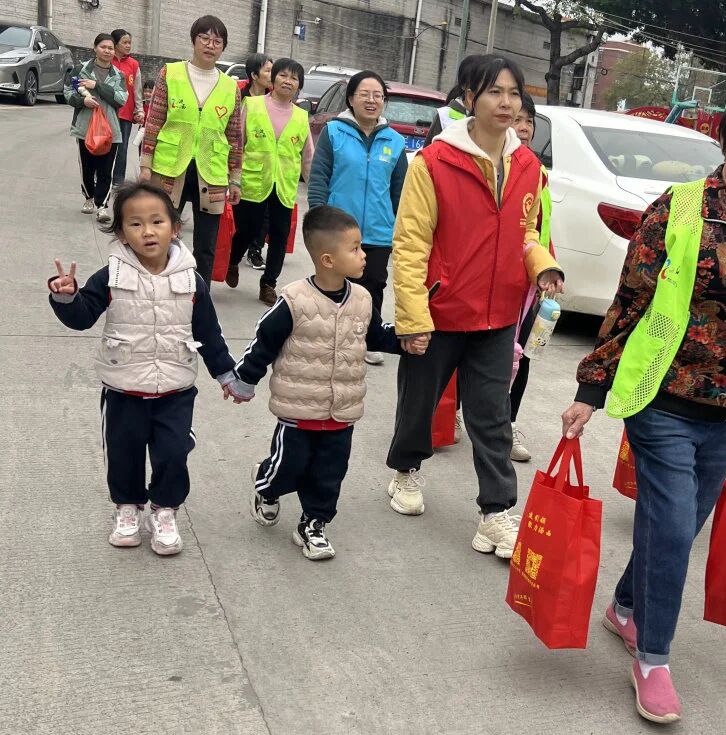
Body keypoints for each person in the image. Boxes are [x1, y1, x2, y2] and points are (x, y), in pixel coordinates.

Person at [560, 81, 726, 724]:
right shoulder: (677, 210)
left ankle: (625, 606)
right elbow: (631, 302)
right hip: (666, 404)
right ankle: (653, 658)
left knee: (676, 527)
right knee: (673, 527)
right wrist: (592, 388)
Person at [386, 56, 564, 559]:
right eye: (494, 92)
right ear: (468, 98)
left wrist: (543, 266)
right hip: (441, 312)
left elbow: (527, 234)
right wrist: (413, 317)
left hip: (498, 316)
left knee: (492, 417)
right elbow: (411, 244)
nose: (506, 103)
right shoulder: (434, 163)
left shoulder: (529, 168)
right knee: (419, 405)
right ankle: (405, 470)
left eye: (513, 94)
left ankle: (495, 513)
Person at [47, 183, 250, 556]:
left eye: (157, 221)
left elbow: (208, 332)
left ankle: (164, 510)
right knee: (123, 453)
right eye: (135, 223)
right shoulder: (110, 276)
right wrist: (66, 296)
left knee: (173, 453)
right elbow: (82, 317)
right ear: (122, 233)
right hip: (123, 389)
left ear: (175, 228)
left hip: (175, 389)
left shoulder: (191, 280)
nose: (147, 231)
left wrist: (226, 374)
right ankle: (127, 507)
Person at [228, 206, 422, 560]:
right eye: (355, 248)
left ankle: (313, 524)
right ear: (328, 260)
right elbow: (264, 342)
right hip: (298, 411)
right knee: (288, 467)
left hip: (341, 411)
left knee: (329, 474)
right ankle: (267, 487)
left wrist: (404, 341)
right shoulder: (294, 300)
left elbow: (374, 336)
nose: (364, 255)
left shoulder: (362, 299)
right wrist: (244, 379)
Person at [307, 70, 408, 366]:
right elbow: (319, 177)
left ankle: (368, 339)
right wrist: (318, 220)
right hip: (338, 230)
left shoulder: (394, 141)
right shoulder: (334, 132)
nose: (371, 100)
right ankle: (329, 337)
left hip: (378, 231)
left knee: (373, 286)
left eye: (378, 95)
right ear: (351, 99)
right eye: (364, 94)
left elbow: (400, 190)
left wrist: (399, 227)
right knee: (334, 284)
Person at [139, 15, 242, 285]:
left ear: (223, 47)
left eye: (217, 41)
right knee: (161, 234)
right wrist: (146, 164)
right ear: (194, 40)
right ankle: (155, 286)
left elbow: (234, 136)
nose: (210, 45)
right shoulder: (170, 73)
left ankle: (199, 295)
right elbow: (154, 120)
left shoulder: (231, 87)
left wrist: (235, 178)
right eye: (204, 38)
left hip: (212, 172)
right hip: (170, 168)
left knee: (206, 246)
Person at [225, 58, 313, 306]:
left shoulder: (301, 116)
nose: (288, 81)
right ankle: (233, 261)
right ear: (272, 79)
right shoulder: (252, 105)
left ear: (299, 85)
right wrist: (233, 178)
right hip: (253, 181)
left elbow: (307, 157)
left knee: (279, 235)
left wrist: (315, 191)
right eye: (283, 75)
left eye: (294, 78)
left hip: (283, 185)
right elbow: (237, 143)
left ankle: (269, 283)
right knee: (248, 230)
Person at [506, 90, 554, 463]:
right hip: (498, 282)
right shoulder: (498, 168)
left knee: (523, 355)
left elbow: (541, 228)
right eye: (518, 120)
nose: (524, 128)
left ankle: (508, 424)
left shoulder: (539, 172)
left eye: (529, 121)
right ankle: (455, 412)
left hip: (531, 284)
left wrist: (548, 268)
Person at [64, 33, 127, 224]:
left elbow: (121, 99)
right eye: (103, 47)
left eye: (110, 48)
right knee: (87, 168)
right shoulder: (80, 70)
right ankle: (89, 198)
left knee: (106, 170)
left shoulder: (118, 75)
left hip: (110, 131)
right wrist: (82, 101)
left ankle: (102, 206)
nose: (107, 51)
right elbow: (67, 91)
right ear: (95, 48)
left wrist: (97, 85)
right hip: (85, 128)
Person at [238, 52, 274, 271]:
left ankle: (255, 251)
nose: (272, 75)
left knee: (265, 213)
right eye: (268, 70)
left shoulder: (274, 100)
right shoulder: (239, 98)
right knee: (244, 214)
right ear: (254, 75)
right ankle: (237, 249)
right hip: (241, 165)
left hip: (267, 169)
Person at [422, 54, 488, 146]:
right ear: (463, 85)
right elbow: (429, 151)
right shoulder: (444, 116)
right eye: (476, 83)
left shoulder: (491, 117)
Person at [109, 29, 143, 192]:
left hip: (126, 114)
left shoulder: (134, 65)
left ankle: (118, 181)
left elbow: (137, 90)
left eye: (129, 42)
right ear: (115, 44)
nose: (128, 45)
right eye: (125, 42)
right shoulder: (107, 60)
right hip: (107, 112)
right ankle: (100, 176)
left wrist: (139, 110)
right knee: (104, 146)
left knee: (122, 149)